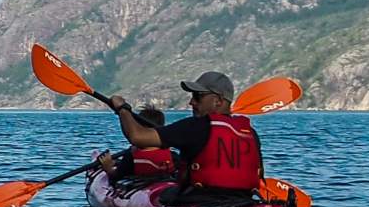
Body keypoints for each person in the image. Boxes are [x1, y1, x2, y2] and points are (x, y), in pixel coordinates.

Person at [109, 71, 262, 200]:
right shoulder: (249, 132)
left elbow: (137, 137)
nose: (191, 102)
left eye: (197, 96)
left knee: (161, 194)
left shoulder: (194, 126)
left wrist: (122, 108)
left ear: (218, 101)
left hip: (198, 200)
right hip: (244, 199)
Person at [96, 107, 174, 180]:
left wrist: (108, 168)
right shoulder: (172, 155)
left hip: (141, 185)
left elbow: (116, 176)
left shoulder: (131, 157)